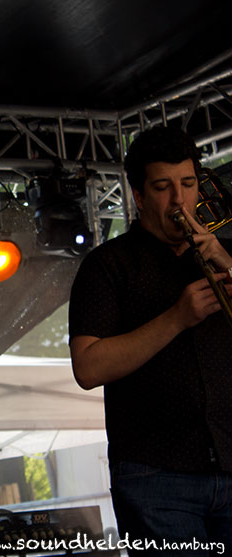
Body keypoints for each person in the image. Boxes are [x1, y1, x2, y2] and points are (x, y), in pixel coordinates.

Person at [69, 126, 232, 547]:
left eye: (188, 184)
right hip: (154, 475)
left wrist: (227, 262)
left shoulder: (225, 254)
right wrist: (176, 319)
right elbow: (87, 367)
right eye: (163, 187)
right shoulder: (108, 265)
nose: (180, 200)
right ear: (139, 196)